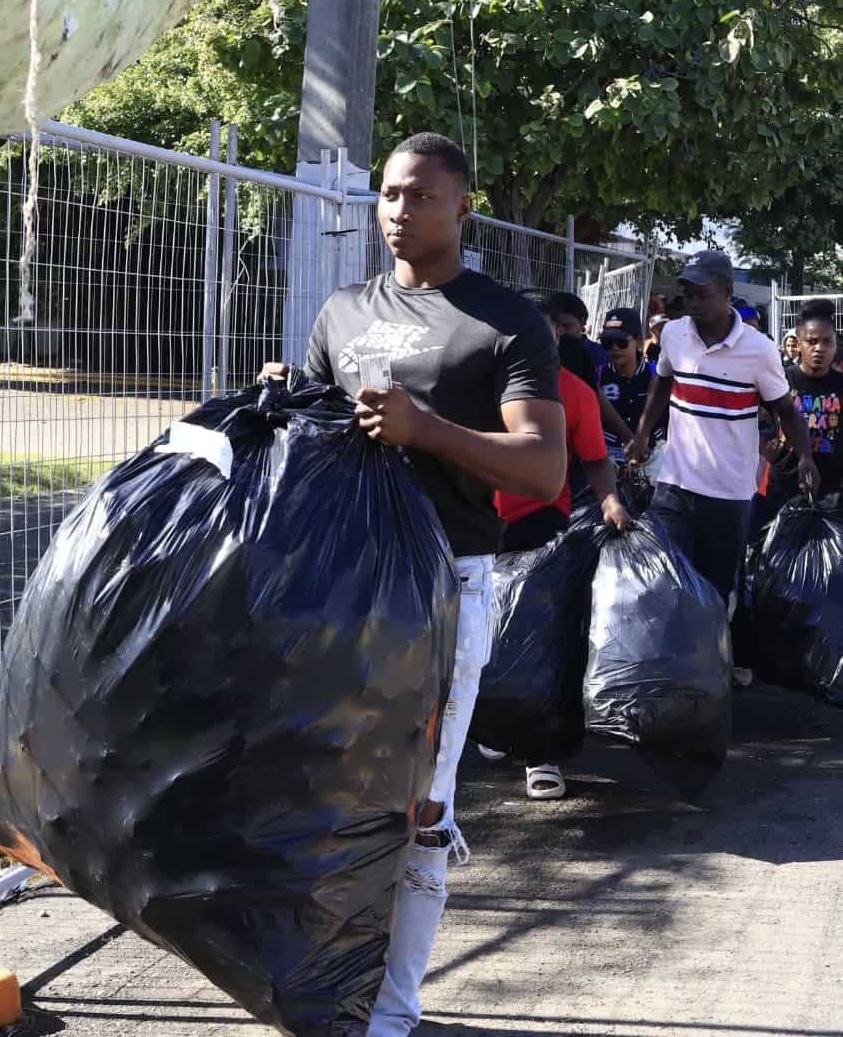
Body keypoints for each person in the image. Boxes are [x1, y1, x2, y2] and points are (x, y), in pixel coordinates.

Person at [260, 131, 566, 1037]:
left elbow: (543, 470)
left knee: (421, 804)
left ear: (462, 206)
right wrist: (284, 398)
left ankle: (392, 1013)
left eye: (421, 197)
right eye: (390, 195)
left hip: (445, 589)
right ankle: (323, 988)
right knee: (325, 794)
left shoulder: (504, 322)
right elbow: (317, 436)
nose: (399, 212)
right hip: (339, 589)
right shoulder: (342, 312)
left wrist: (424, 429)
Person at [625, 250, 818, 613]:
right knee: (668, 582)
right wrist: (641, 435)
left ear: (726, 292)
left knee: (713, 591)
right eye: (688, 294)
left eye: (703, 293)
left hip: (728, 495)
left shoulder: (759, 351)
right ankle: (670, 666)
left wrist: (805, 455)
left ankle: (713, 666)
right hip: (675, 486)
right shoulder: (674, 335)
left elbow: (786, 411)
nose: (693, 303)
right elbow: (662, 385)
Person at [494, 316, 632, 802]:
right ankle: (490, 722)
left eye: (545, 338)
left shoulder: (573, 391)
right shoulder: (477, 379)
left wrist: (610, 499)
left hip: (541, 521)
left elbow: (595, 456)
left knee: (539, 638)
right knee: (473, 630)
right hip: (472, 521)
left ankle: (540, 752)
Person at [757, 299, 843, 525]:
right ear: (799, 343)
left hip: (831, 490)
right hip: (784, 485)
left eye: (827, 342)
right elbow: (757, 419)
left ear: (835, 345)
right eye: (812, 341)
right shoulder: (781, 381)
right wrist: (764, 446)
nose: (819, 348)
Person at [544, 291, 634, 444]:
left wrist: (628, 438)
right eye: (557, 326)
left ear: (582, 322)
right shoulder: (544, 353)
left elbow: (598, 397)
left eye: (567, 326)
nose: (561, 332)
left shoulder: (599, 356)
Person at [597, 308, 666, 450]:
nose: (614, 348)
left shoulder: (654, 373)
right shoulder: (598, 375)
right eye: (607, 342)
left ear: (639, 342)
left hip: (651, 455)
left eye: (621, 342)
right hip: (608, 453)